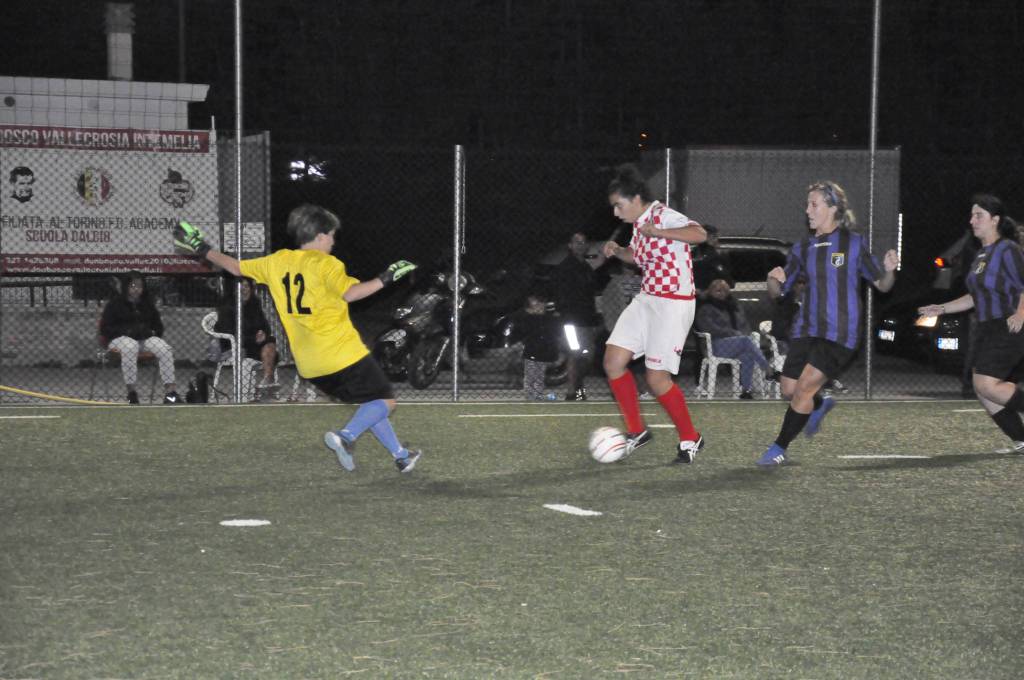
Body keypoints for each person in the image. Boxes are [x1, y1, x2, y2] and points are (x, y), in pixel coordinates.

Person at [173, 205, 422, 473]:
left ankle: (401, 456)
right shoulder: (327, 264)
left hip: (310, 366)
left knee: (371, 403)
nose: (333, 241)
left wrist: (201, 247)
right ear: (319, 235)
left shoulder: (277, 261)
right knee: (386, 402)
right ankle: (346, 437)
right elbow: (351, 294)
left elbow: (234, 267)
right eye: (331, 235)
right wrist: (387, 278)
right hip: (343, 354)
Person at [757, 180, 897, 466]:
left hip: (839, 332)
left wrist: (890, 270)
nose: (807, 210)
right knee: (789, 390)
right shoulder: (802, 248)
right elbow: (779, 293)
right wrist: (773, 280)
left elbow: (882, 285)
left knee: (805, 386)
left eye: (814, 204)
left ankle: (778, 448)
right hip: (806, 328)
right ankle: (820, 405)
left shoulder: (854, 244)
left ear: (833, 208)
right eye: (807, 204)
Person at [601, 164, 707, 464]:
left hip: (673, 304)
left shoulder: (662, 216)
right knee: (613, 361)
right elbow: (637, 256)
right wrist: (618, 250)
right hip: (648, 299)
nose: (617, 214)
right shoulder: (640, 224)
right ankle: (637, 431)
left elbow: (699, 234)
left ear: (635, 199)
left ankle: (690, 438)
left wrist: (658, 231)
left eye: (619, 206)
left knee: (656, 379)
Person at [918, 194, 1024, 452]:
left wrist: (1021, 313)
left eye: (979, 215)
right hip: (987, 327)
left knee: (986, 384)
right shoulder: (980, 256)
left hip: (1007, 324)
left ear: (995, 220)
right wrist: (940, 308)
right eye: (972, 215)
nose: (972, 220)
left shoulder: (1008, 249)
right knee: (984, 391)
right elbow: (974, 297)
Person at [99, 270, 181, 404]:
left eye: (140, 286)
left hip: (143, 339)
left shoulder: (147, 304)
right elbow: (105, 329)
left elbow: (158, 327)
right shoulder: (114, 304)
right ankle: (131, 392)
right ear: (126, 287)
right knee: (131, 346)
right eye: (133, 286)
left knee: (164, 349)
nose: (137, 289)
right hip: (119, 340)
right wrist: (127, 331)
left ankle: (171, 393)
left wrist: (149, 332)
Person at [696, 278, 778, 399]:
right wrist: (733, 333)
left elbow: (744, 325)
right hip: (715, 344)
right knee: (746, 341)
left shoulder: (733, 307)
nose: (721, 293)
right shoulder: (706, 308)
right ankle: (768, 370)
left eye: (724, 290)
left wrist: (742, 334)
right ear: (710, 291)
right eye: (717, 290)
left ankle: (746, 391)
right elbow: (709, 328)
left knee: (747, 354)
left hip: (737, 343)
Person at [551, 231, 605, 401]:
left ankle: (578, 385)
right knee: (574, 353)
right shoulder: (565, 267)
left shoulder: (586, 268)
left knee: (588, 355)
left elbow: (593, 294)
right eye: (576, 242)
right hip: (571, 320)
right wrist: (563, 314)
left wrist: (597, 315)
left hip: (587, 319)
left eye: (583, 242)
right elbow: (558, 293)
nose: (580, 245)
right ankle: (572, 391)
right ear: (570, 245)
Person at [214, 277, 280, 398]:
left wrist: (263, 333)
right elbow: (227, 332)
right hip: (235, 346)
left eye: (246, 287)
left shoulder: (255, 303)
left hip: (254, 344)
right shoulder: (227, 306)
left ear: (251, 289)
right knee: (269, 348)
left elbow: (265, 325)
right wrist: (253, 339)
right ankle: (267, 384)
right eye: (240, 287)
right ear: (234, 290)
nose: (243, 290)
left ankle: (267, 380)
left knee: (270, 341)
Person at [509, 293, 561, 401]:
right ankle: (530, 394)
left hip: (542, 350)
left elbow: (554, 329)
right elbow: (522, 330)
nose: (539, 306)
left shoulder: (547, 318)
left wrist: (549, 315)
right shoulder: (526, 318)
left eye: (541, 304)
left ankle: (537, 394)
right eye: (536, 304)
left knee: (540, 373)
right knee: (531, 373)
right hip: (531, 349)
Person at [692, 224, 733, 294]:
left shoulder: (719, 254)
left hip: (712, 293)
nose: (716, 240)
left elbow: (726, 277)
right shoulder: (694, 253)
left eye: (715, 237)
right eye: (714, 237)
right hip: (698, 292)